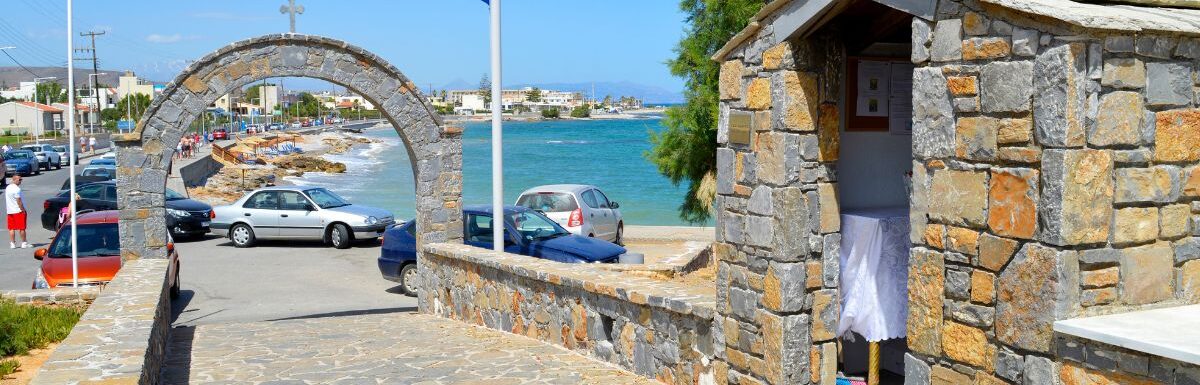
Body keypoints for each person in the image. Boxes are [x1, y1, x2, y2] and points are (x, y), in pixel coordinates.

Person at [6, 175, 27, 249]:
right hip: (18, 211)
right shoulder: (17, 189)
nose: (21, 181)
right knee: (22, 228)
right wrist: (23, 209)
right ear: (14, 180)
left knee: (11, 228)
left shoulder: (8, 187)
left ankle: (12, 244)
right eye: (19, 179)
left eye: (21, 179)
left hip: (10, 211)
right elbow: (19, 201)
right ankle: (24, 243)